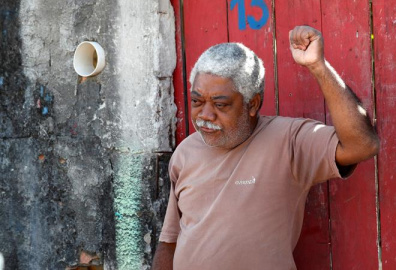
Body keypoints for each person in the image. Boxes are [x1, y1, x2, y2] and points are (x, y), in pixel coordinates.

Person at [152, 26, 379, 270]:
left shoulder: (289, 140)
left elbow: (362, 145)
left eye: (220, 104)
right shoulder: (186, 152)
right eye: (197, 101)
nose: (205, 115)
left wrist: (318, 67)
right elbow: (170, 241)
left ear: (253, 104)